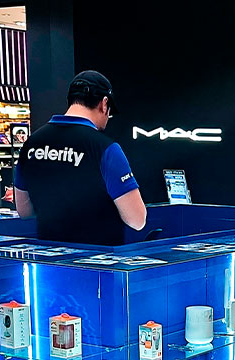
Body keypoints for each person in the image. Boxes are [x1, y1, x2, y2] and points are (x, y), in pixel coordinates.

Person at [13, 70, 146, 245]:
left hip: (49, 256)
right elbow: (137, 220)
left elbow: (24, 211)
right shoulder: (105, 149)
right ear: (104, 104)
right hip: (99, 258)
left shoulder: (31, 144)